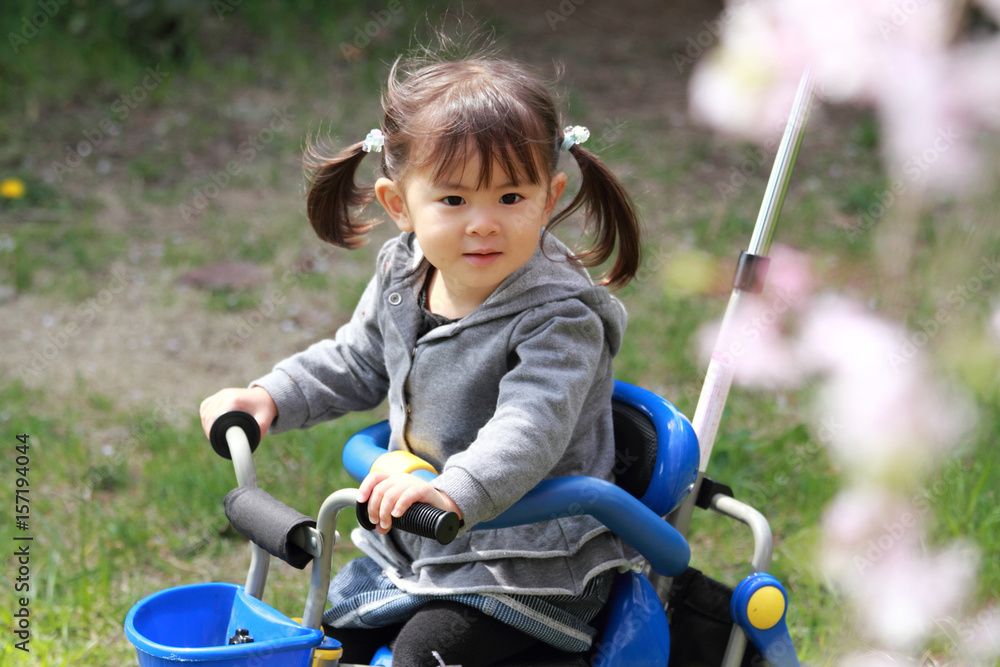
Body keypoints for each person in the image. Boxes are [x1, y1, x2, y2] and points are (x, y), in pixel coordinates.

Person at [200, 51, 643, 667]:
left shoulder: (558, 316)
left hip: (527, 562)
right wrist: (270, 396)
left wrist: (454, 489)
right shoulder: (402, 272)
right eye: (454, 200)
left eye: (511, 196)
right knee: (325, 644)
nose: (484, 224)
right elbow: (357, 361)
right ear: (398, 204)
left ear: (550, 197)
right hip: (417, 541)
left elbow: (530, 426)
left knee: (422, 657)